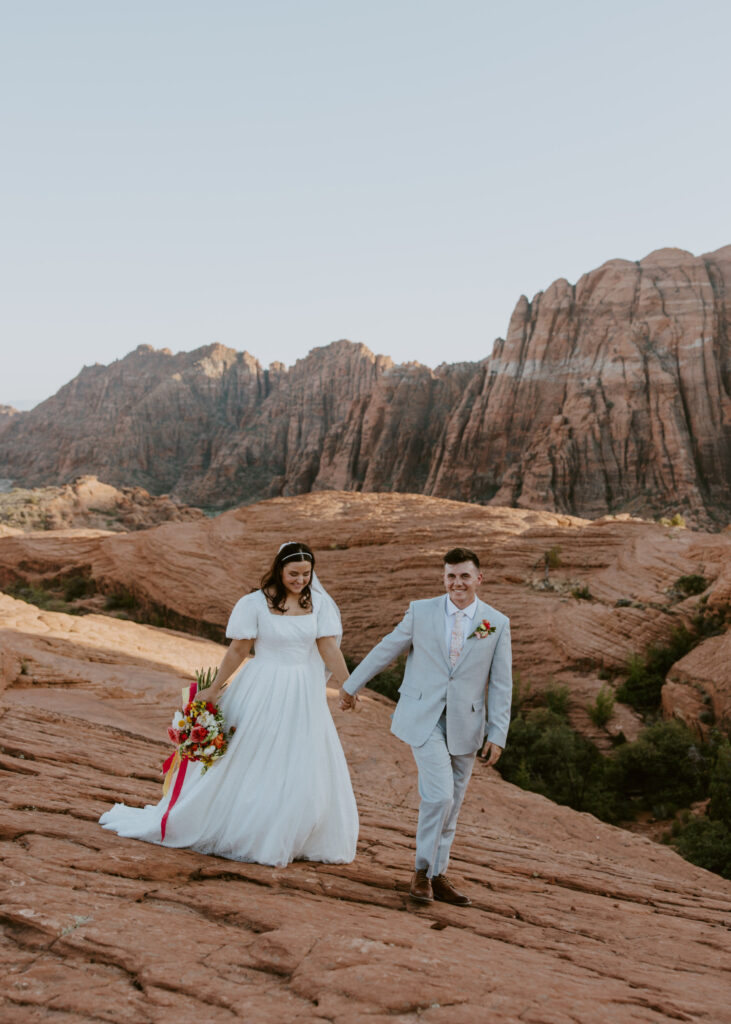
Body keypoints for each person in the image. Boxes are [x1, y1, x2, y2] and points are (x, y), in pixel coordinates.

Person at [100, 541, 358, 866]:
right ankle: (242, 828)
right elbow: (239, 650)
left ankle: (287, 831)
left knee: (298, 759)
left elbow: (328, 649)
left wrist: (349, 684)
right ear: (279, 570)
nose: (300, 580)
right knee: (253, 754)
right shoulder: (255, 603)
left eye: (306, 574)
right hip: (263, 686)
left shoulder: (318, 605)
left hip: (303, 695)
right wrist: (214, 688)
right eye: (294, 573)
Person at [339, 547, 511, 906]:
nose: (457, 583)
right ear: (443, 578)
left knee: (454, 803)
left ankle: (437, 874)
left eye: (465, 576)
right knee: (440, 795)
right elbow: (388, 649)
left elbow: (500, 683)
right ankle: (420, 871)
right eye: (451, 575)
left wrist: (497, 733)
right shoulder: (421, 611)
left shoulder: (495, 622)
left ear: (479, 578)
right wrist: (351, 685)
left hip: (467, 723)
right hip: (424, 716)